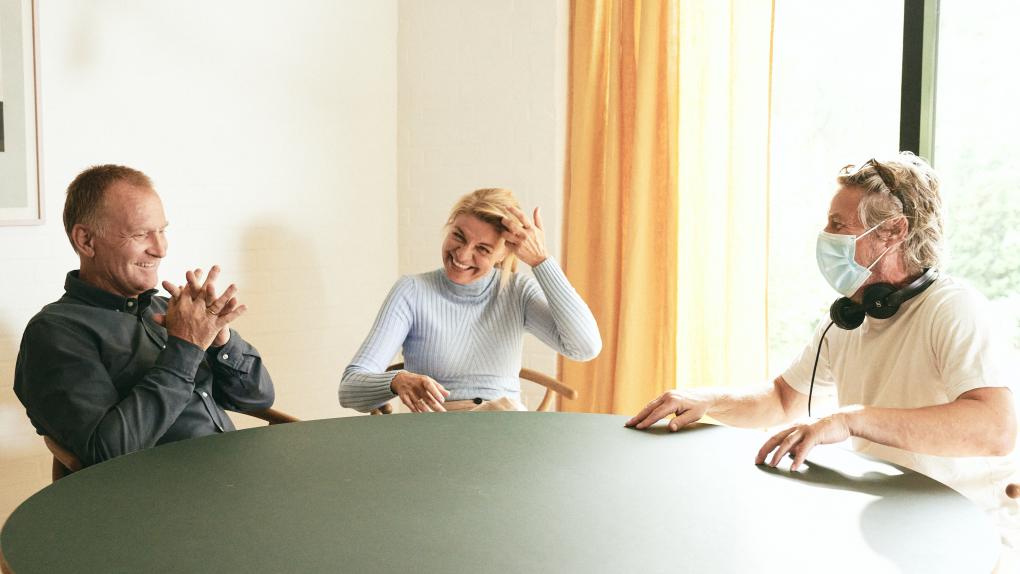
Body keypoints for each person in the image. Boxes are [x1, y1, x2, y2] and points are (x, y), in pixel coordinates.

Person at [626, 152, 1018, 562]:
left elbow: (996, 429)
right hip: (891, 521)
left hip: (969, 533)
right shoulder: (849, 317)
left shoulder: (952, 308)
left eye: (838, 225)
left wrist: (851, 419)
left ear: (893, 231)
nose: (825, 235)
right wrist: (709, 400)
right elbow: (782, 400)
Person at [14, 164, 276, 467]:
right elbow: (107, 454)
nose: (161, 249)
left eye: (162, 231)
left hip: (233, 470)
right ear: (86, 241)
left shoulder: (168, 310)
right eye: (141, 234)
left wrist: (220, 340)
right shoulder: (55, 333)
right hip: (167, 490)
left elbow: (258, 398)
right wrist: (186, 348)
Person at [339, 188, 601, 413]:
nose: (462, 256)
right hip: (436, 437)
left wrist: (541, 261)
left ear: (503, 254)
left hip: (504, 431)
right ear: (450, 225)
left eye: (482, 249)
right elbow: (349, 389)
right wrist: (396, 380)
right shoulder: (412, 291)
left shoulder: (517, 291)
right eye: (458, 236)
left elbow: (584, 347)